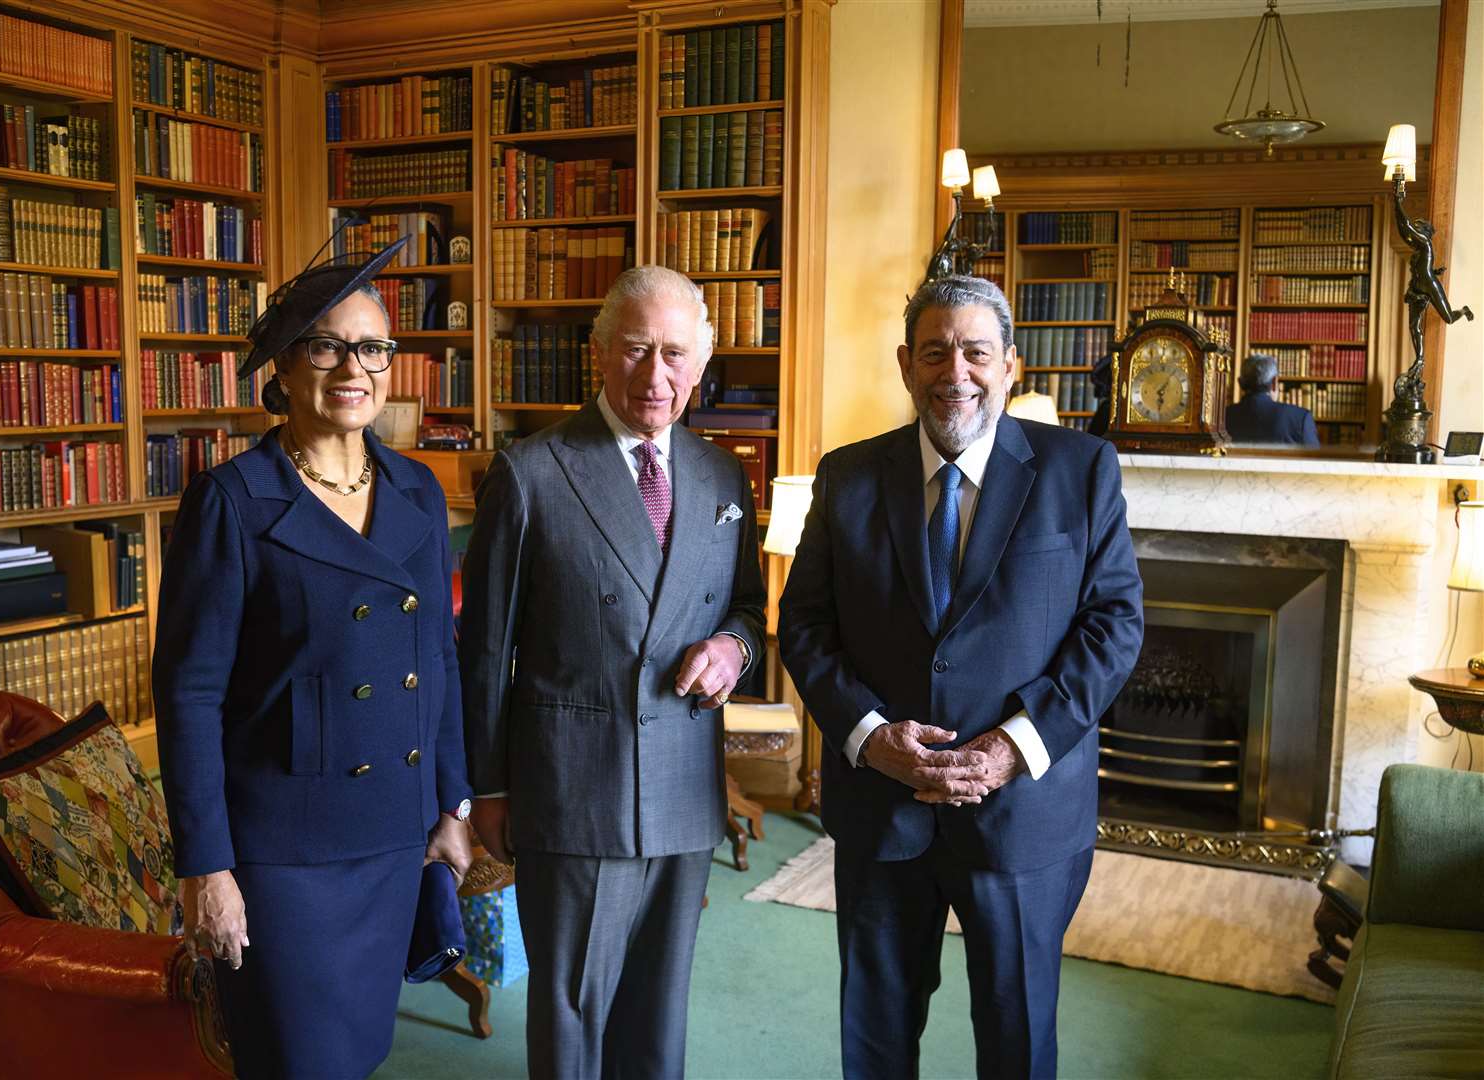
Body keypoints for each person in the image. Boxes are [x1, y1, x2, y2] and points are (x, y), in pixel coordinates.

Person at [778, 274, 1144, 1080]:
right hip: (884, 811)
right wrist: (871, 738)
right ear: (906, 364)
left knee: (1016, 1042)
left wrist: (1013, 748)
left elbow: (1114, 626)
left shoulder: (1081, 470)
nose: (957, 372)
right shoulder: (848, 477)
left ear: (1011, 364)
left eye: (977, 352)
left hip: (1022, 815)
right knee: (875, 1038)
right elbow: (804, 624)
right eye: (936, 352)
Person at [152, 240, 474, 1080]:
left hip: (394, 834)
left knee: (360, 1050)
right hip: (284, 852)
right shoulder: (231, 500)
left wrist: (453, 805)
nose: (353, 368)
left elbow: (436, 657)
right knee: (295, 1059)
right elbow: (188, 697)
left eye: (373, 348)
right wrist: (206, 867)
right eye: (327, 346)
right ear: (286, 369)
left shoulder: (418, 490)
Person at [459, 265, 766, 1079]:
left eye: (675, 354)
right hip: (573, 791)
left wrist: (734, 647)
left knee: (657, 1018)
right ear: (598, 354)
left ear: (702, 365)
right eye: (636, 350)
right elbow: (485, 649)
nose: (655, 375)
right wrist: (488, 787)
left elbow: (749, 610)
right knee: (572, 1015)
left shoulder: (722, 475)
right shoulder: (530, 472)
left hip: (685, 789)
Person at [1224, 353, 1320, 447]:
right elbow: (1316, 461)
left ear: (1240, 383)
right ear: (1274, 382)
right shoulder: (1300, 418)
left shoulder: (1223, 417)